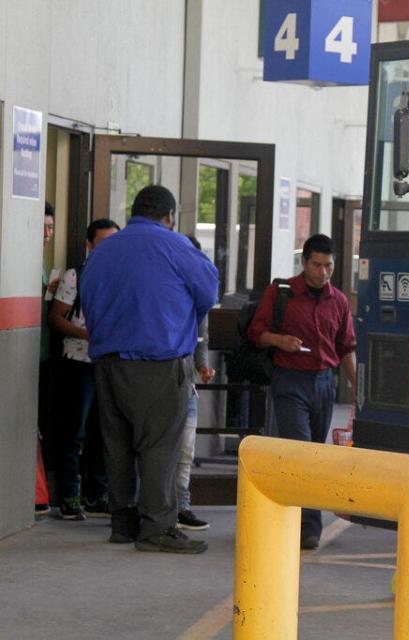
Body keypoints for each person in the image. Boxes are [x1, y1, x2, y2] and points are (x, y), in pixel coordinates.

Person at [80, 185, 219, 554]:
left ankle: (122, 523)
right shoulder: (175, 246)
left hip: (107, 364)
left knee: (117, 445)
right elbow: (208, 292)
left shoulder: (102, 252)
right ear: (169, 215)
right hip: (158, 364)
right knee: (160, 446)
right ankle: (157, 527)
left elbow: (88, 301)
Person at [247, 233, 357, 550]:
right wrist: (280, 341)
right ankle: (305, 524)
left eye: (329, 266)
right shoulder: (282, 293)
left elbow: (346, 348)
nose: (323, 272)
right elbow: (257, 333)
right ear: (304, 263)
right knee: (301, 449)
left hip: (324, 382)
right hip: (289, 380)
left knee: (316, 453)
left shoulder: (338, 301)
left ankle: (306, 524)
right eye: (317, 265)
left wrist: (355, 387)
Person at [48, 218, 120, 520]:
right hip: (78, 363)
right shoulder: (75, 275)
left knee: (104, 432)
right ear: (90, 245)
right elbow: (57, 318)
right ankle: (70, 495)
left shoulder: (124, 275)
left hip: (111, 363)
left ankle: (97, 493)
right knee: (74, 430)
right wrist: (86, 335)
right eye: (103, 243)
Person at [176, 235, 216, 532]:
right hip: (159, 382)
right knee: (157, 449)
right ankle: (153, 505)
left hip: (187, 383)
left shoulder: (197, 299)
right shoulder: (163, 294)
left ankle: (182, 506)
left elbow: (202, 338)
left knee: (187, 448)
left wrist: (203, 366)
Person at [35, 202, 58, 517]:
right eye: (42, 226)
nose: (47, 234)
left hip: (42, 354)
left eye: (51, 227)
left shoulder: (41, 264)